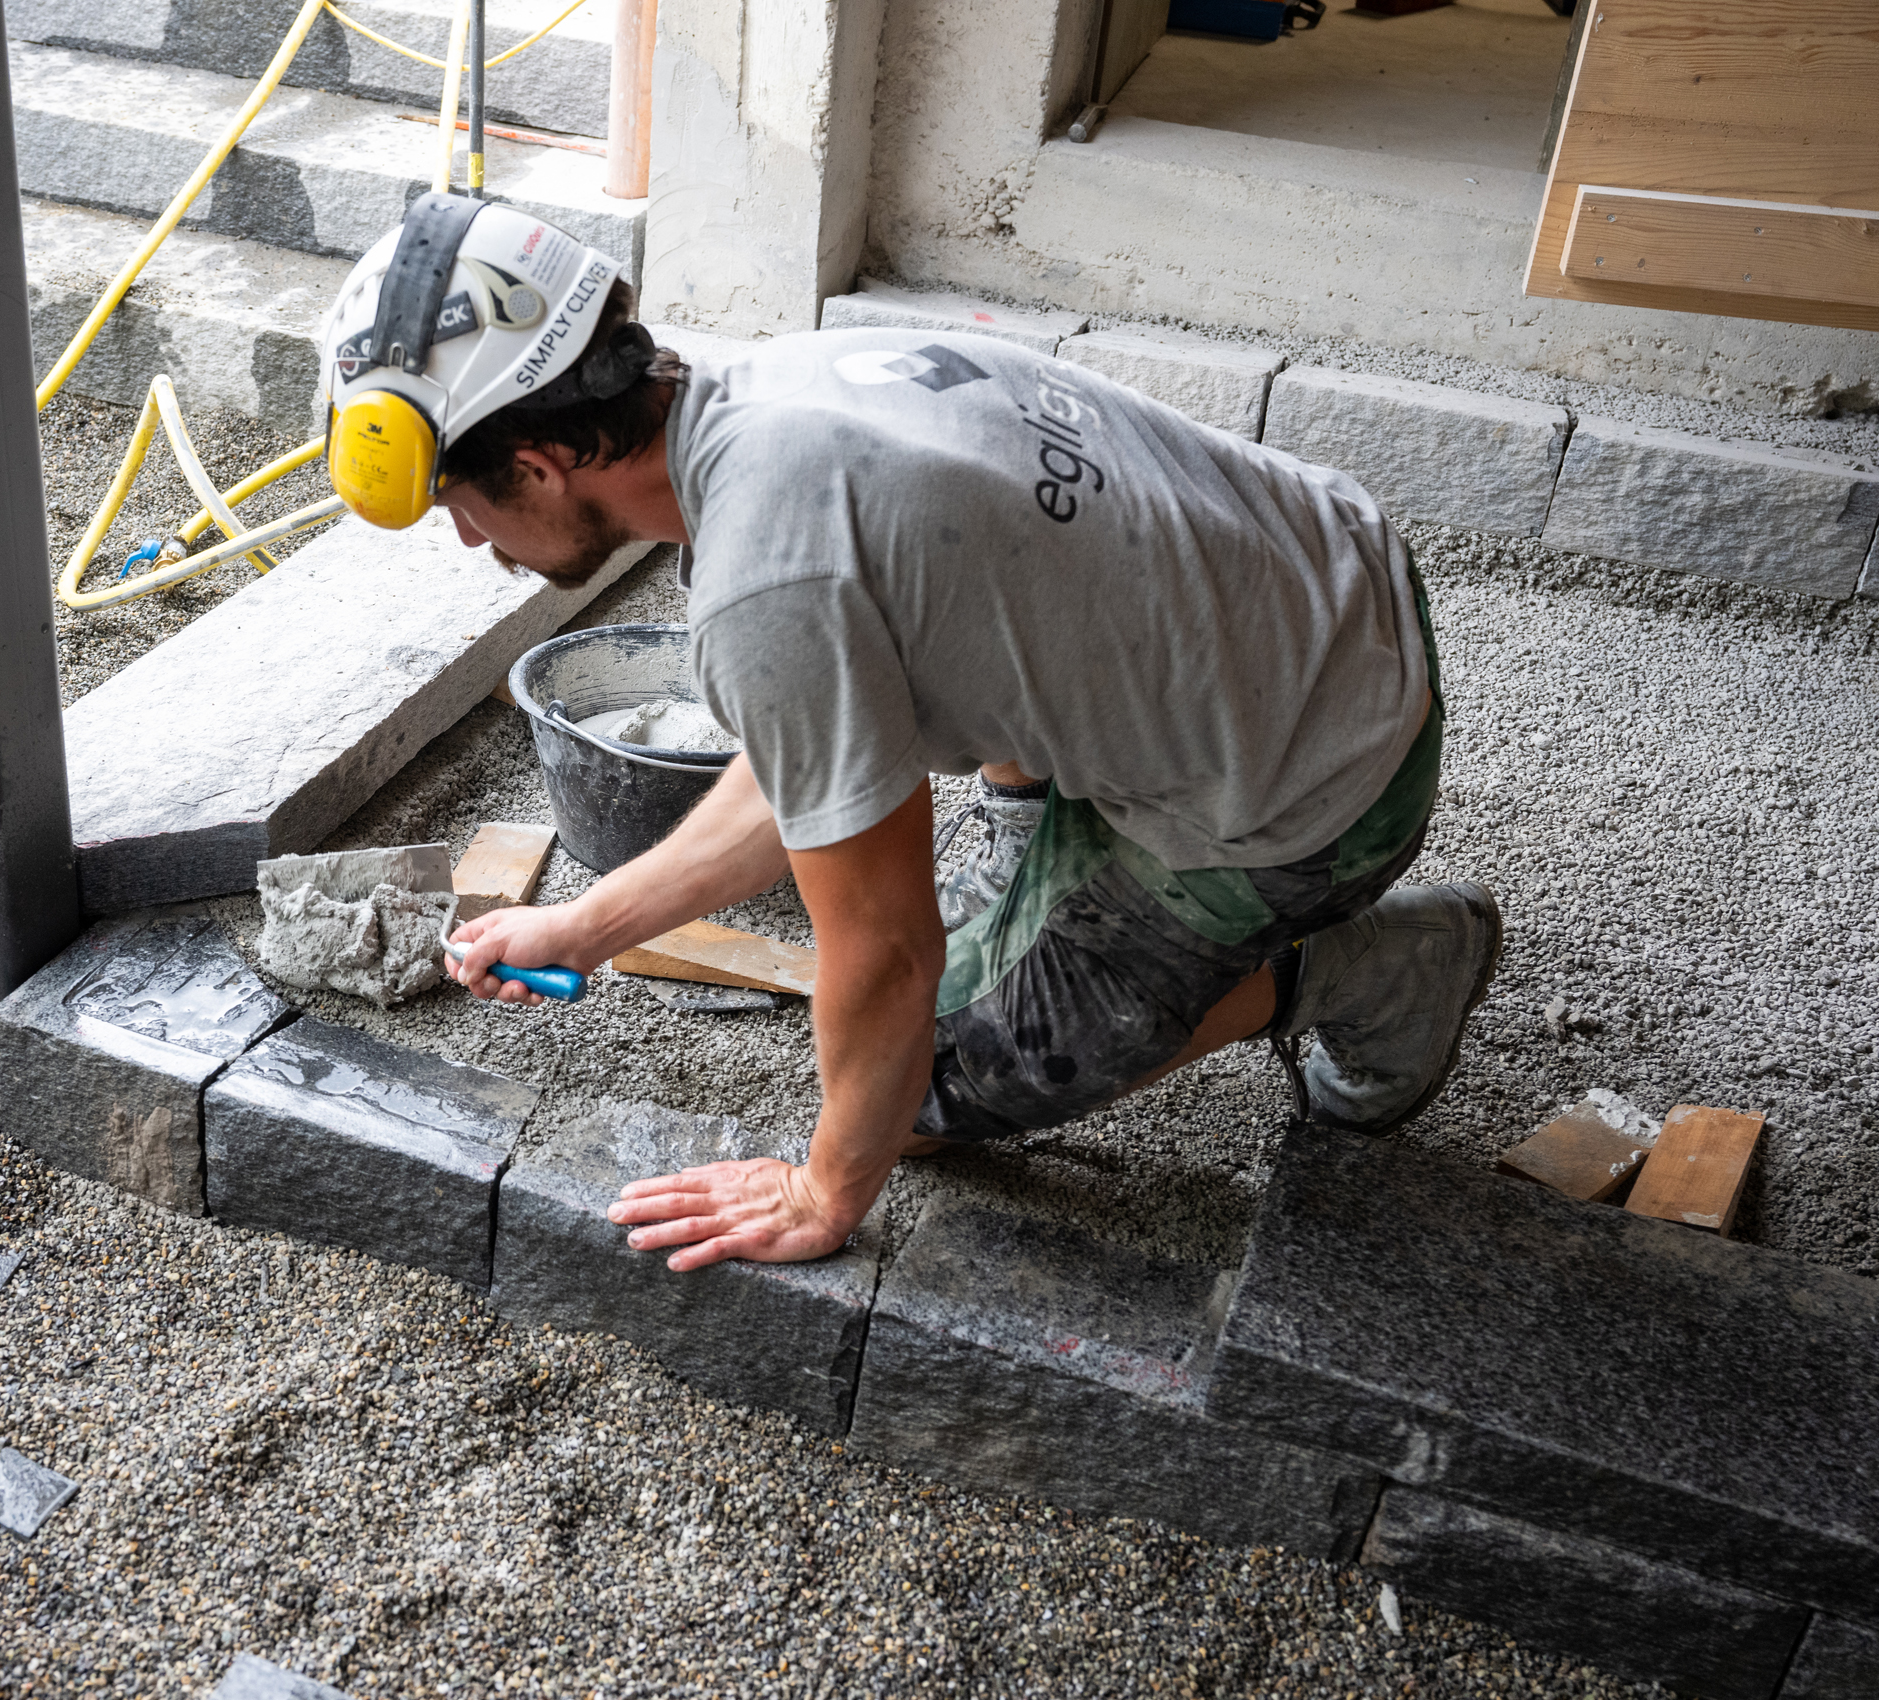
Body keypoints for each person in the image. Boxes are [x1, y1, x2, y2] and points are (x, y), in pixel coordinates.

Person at [320, 195, 1502, 1270]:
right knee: (942, 629)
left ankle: (1376, 968)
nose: (469, 538)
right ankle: (1045, 877)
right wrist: (586, 924)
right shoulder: (773, 386)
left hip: (1313, 780)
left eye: (463, 504)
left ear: (537, 466)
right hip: (1321, 594)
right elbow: (805, 757)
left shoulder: (769, 586)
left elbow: (889, 953)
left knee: (924, 1085)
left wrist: (826, 1189)